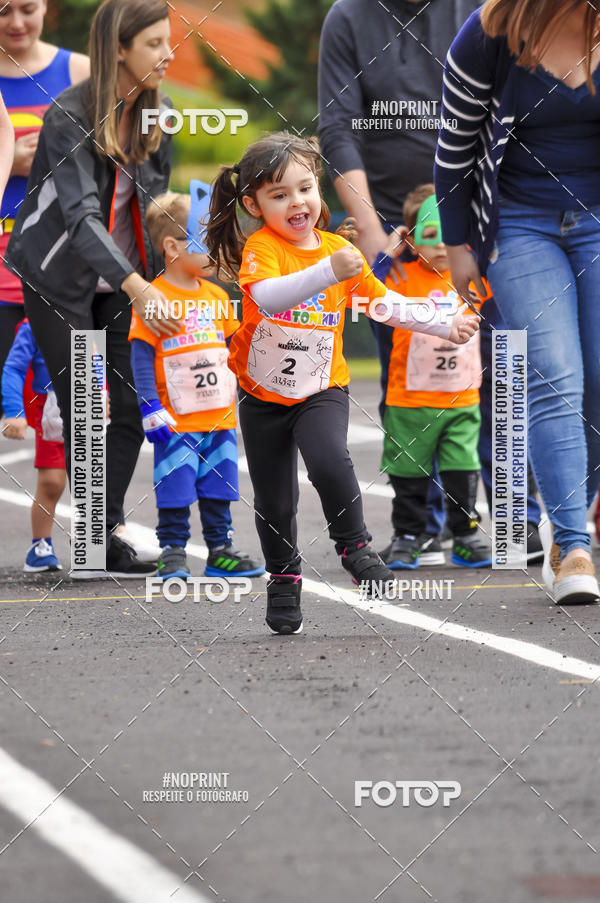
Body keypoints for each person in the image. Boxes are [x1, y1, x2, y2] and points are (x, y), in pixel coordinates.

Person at [205, 131, 479, 635]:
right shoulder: (263, 249)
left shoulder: (338, 250)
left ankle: (354, 547)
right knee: (274, 501)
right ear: (253, 203)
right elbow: (269, 299)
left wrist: (444, 322)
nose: (296, 203)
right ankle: (284, 578)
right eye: (279, 194)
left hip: (321, 387)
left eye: (305, 188)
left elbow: (384, 303)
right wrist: (329, 270)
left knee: (331, 460)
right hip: (262, 395)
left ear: (320, 191)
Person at [317, 0, 543, 561]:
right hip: (399, 231)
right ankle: (422, 524)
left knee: (501, 372)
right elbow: (338, 126)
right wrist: (372, 232)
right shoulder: (348, 17)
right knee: (411, 390)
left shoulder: (480, 9)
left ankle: (516, 520)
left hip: (481, 214)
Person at [5, 0, 178, 579]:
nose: (167, 54)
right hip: (59, 277)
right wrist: (138, 285)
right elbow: (80, 218)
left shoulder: (162, 115)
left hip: (123, 277)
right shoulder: (67, 117)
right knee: (83, 402)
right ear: (120, 49)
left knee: (130, 404)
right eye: (153, 44)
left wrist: (173, 272)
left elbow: (154, 210)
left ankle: (101, 536)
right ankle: (89, 544)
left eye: (168, 41)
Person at [435, 0, 600, 604]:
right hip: (520, 226)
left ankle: (577, 503)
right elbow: (454, 150)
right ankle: (572, 544)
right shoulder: (488, 33)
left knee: (598, 377)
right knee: (555, 373)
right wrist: (459, 250)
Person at [129, 188, 264, 581]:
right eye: (206, 241)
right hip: (176, 420)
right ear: (172, 246)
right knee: (174, 485)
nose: (216, 250)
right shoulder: (155, 299)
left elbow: (234, 348)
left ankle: (220, 548)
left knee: (219, 485)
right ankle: (172, 550)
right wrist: (149, 407)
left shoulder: (219, 295)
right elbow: (140, 356)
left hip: (219, 418)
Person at [373, 185, 491, 570]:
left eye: (449, 235)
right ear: (411, 239)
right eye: (430, 236)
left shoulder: (470, 277)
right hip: (409, 402)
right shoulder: (400, 278)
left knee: (462, 471)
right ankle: (408, 536)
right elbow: (366, 293)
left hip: (462, 401)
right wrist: (389, 249)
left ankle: (466, 534)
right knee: (408, 474)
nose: (441, 246)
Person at [0, 0, 89, 417]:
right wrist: (8, 160)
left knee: (84, 418)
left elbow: (120, 163)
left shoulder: (81, 72)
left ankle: (87, 487)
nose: (16, 22)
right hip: (3, 277)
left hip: (70, 275)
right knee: (11, 415)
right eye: (1, 11)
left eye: (27, 8)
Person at [1, 318, 66, 572]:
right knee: (52, 481)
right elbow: (14, 368)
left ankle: (103, 545)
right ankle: (40, 547)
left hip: (91, 403)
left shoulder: (97, 313)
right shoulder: (34, 324)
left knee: (98, 481)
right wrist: (14, 411)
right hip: (50, 408)